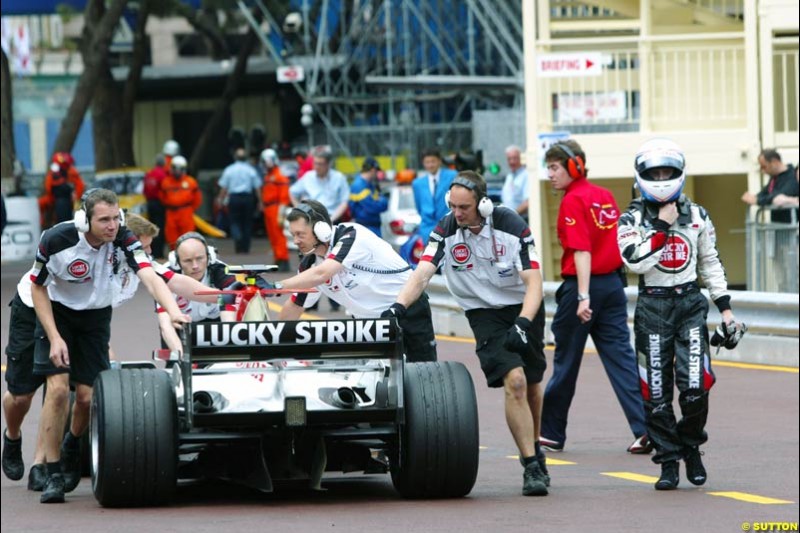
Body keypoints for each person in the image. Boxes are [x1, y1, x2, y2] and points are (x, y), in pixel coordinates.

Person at [387, 171, 550, 496]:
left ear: (483, 204)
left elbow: (534, 282)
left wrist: (523, 323)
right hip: (483, 313)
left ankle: (535, 447)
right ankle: (530, 466)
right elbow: (421, 274)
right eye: (453, 206)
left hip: (522, 308)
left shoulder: (511, 226)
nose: (457, 213)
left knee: (531, 384)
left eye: (464, 207)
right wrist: (398, 308)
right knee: (514, 381)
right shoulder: (446, 229)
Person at [29, 188, 190, 504]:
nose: (112, 225)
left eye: (116, 217)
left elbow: (150, 276)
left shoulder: (124, 238)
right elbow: (37, 289)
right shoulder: (56, 239)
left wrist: (173, 312)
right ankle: (53, 471)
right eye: (104, 219)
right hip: (58, 313)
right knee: (59, 390)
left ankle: (72, 444)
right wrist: (55, 336)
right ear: (83, 219)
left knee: (87, 398)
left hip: (95, 318)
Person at [618, 138, 745, 490]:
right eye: (654, 173)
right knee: (656, 392)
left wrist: (726, 310)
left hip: (690, 304)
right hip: (653, 306)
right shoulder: (631, 218)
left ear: (679, 174)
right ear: (642, 175)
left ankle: (691, 447)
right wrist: (660, 226)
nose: (660, 178)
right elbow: (634, 261)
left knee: (695, 387)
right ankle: (668, 461)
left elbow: (710, 262)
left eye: (666, 172)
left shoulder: (698, 215)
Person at [539, 140, 650, 455]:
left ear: (574, 166)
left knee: (566, 361)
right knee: (622, 359)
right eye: (549, 167)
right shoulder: (604, 196)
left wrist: (583, 297)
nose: (550, 174)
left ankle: (551, 432)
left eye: (555, 167)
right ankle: (645, 428)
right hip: (613, 287)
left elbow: (582, 250)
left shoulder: (573, 200)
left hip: (582, 289)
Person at [275, 200, 437, 362]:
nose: (295, 241)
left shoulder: (351, 235)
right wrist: (273, 343)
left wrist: (277, 286)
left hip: (407, 311)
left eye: (300, 234)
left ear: (320, 229)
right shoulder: (310, 265)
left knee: (422, 373)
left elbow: (323, 273)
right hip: (369, 326)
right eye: (293, 235)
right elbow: (295, 306)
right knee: (374, 382)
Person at [157, 232, 238, 352]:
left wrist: (230, 347)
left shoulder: (222, 271)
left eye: (199, 258)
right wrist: (181, 357)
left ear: (209, 256)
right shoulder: (165, 276)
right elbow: (165, 324)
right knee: (176, 363)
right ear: (177, 262)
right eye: (188, 261)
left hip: (215, 324)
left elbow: (229, 319)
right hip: (180, 326)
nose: (195, 266)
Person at [216, 148, 263, 254]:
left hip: (234, 198)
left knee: (234, 220)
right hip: (247, 198)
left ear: (235, 157)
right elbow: (257, 187)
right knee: (247, 222)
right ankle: (245, 247)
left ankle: (237, 236)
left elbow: (224, 187)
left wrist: (220, 199)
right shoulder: (251, 169)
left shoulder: (229, 169)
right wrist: (260, 201)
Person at [289, 147, 350, 223]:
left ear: (328, 164)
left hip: (333, 218)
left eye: (320, 164)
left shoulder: (339, 178)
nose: (316, 167)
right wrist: (299, 211)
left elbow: (344, 202)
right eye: (315, 163)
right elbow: (292, 191)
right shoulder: (308, 177)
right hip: (312, 219)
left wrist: (331, 220)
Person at [412, 148, 456, 244]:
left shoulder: (452, 176)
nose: (430, 165)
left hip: (448, 227)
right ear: (423, 163)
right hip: (427, 231)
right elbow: (419, 207)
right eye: (427, 162)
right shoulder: (417, 183)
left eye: (433, 161)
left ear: (439, 161)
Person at [741, 149, 798, 223]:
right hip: (778, 226)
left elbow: (779, 195)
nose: (762, 170)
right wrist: (755, 198)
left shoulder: (793, 176)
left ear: (774, 162)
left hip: (791, 227)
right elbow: (765, 192)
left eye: (764, 166)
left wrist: (758, 200)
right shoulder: (774, 177)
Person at [160, 155, 202, 250]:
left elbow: (197, 199)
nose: (177, 171)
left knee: (188, 237)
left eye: (180, 168)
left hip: (186, 212)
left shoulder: (191, 182)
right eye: (175, 168)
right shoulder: (166, 182)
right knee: (171, 237)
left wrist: (190, 209)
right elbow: (162, 197)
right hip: (171, 212)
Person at [259, 148, 291, 271]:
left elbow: (284, 197)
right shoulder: (269, 176)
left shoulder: (279, 176)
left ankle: (283, 259)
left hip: (275, 208)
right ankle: (278, 258)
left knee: (278, 235)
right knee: (273, 236)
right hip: (269, 208)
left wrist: (281, 213)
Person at [41, 152, 85, 225]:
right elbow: (48, 188)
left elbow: (80, 186)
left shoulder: (71, 172)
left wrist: (77, 197)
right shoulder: (58, 172)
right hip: (57, 199)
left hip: (64, 200)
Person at [349, 157, 388, 236]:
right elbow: (373, 208)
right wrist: (381, 201)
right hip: (366, 228)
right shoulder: (359, 186)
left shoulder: (369, 185)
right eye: (377, 171)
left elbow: (383, 204)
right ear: (373, 170)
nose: (377, 174)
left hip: (371, 227)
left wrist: (382, 202)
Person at [143, 153, 168, 259]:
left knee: (151, 228)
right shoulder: (163, 175)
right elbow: (165, 190)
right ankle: (159, 253)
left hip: (150, 203)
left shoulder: (149, 174)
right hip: (159, 204)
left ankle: (151, 251)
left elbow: (144, 190)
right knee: (160, 228)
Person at [501, 145, 529, 220]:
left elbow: (528, 202)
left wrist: (513, 214)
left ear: (520, 158)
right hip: (509, 219)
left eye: (515, 158)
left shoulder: (526, 175)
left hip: (521, 219)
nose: (512, 161)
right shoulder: (509, 176)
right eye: (509, 159)